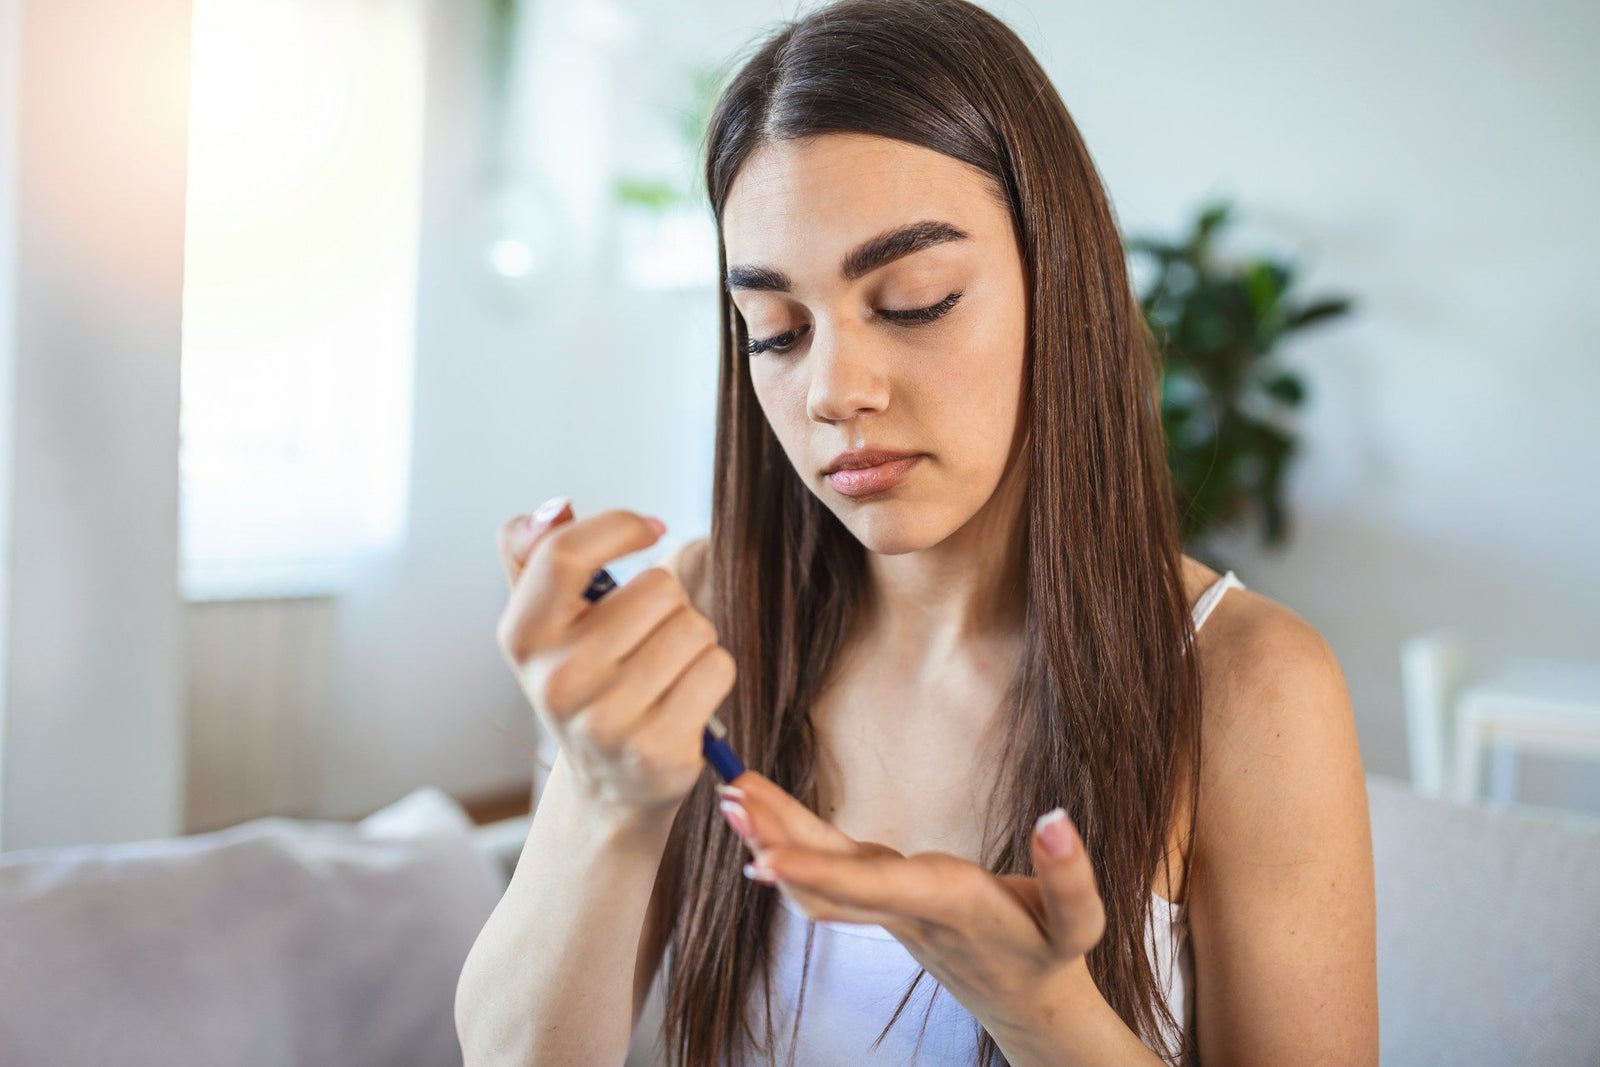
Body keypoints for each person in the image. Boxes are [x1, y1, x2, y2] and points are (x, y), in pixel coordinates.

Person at [456, 1, 1378, 1064]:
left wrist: (1046, 1015)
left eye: (914, 300)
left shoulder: (1250, 688)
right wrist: (606, 802)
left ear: (1059, 283)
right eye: (778, 331)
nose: (834, 391)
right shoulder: (699, 624)